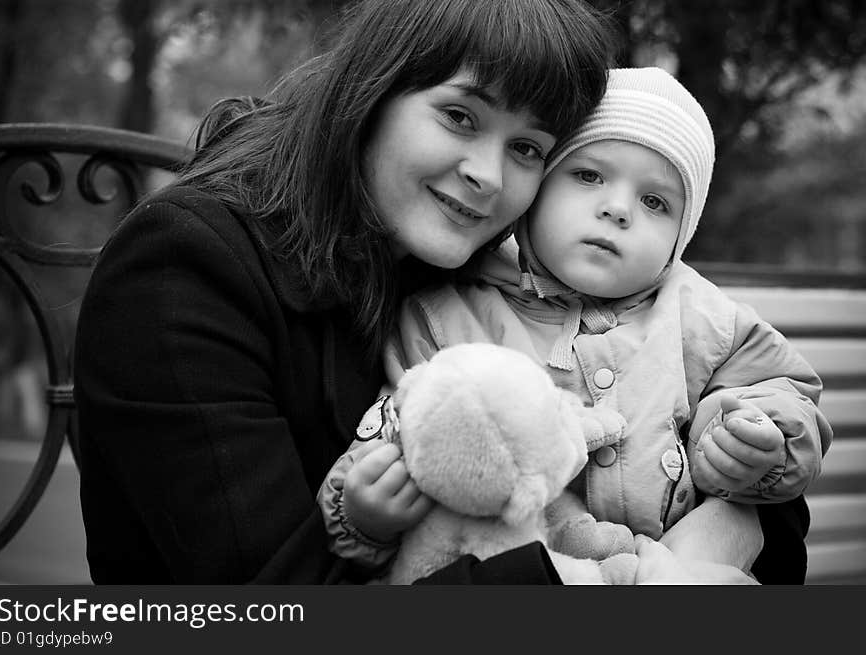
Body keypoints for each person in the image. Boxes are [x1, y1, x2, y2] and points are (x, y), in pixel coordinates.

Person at [73, 0, 618, 584]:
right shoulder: (183, 268)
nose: (489, 174)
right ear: (371, 92)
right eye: (460, 116)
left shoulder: (468, 283)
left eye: (528, 148)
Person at [320, 67, 832, 583]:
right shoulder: (446, 314)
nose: (616, 209)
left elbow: (783, 390)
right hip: (514, 576)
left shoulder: (701, 315)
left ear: (679, 239)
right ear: (535, 191)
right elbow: (399, 426)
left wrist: (762, 443)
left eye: (655, 202)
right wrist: (365, 516)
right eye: (588, 176)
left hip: (671, 563)